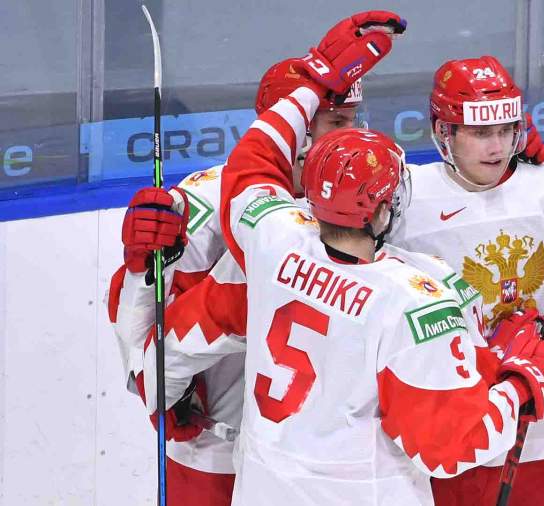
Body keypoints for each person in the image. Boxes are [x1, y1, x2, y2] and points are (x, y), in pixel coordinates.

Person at [144, 73, 544, 501]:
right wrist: (522, 383)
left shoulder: (273, 244)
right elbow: (451, 447)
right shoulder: (411, 301)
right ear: (384, 209)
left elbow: (251, 164)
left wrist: (312, 76)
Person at [106, 11, 395, 505]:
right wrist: (140, 269)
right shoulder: (205, 204)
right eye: (337, 122)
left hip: (322, 459)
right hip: (216, 453)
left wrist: (518, 170)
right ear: (292, 126)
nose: (352, 136)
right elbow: (142, 344)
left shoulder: (367, 190)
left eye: (355, 120)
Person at [387, 55, 544, 506]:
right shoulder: (405, 200)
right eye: (481, 133)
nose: (497, 147)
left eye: (506, 130)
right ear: (443, 132)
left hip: (535, 417)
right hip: (446, 413)